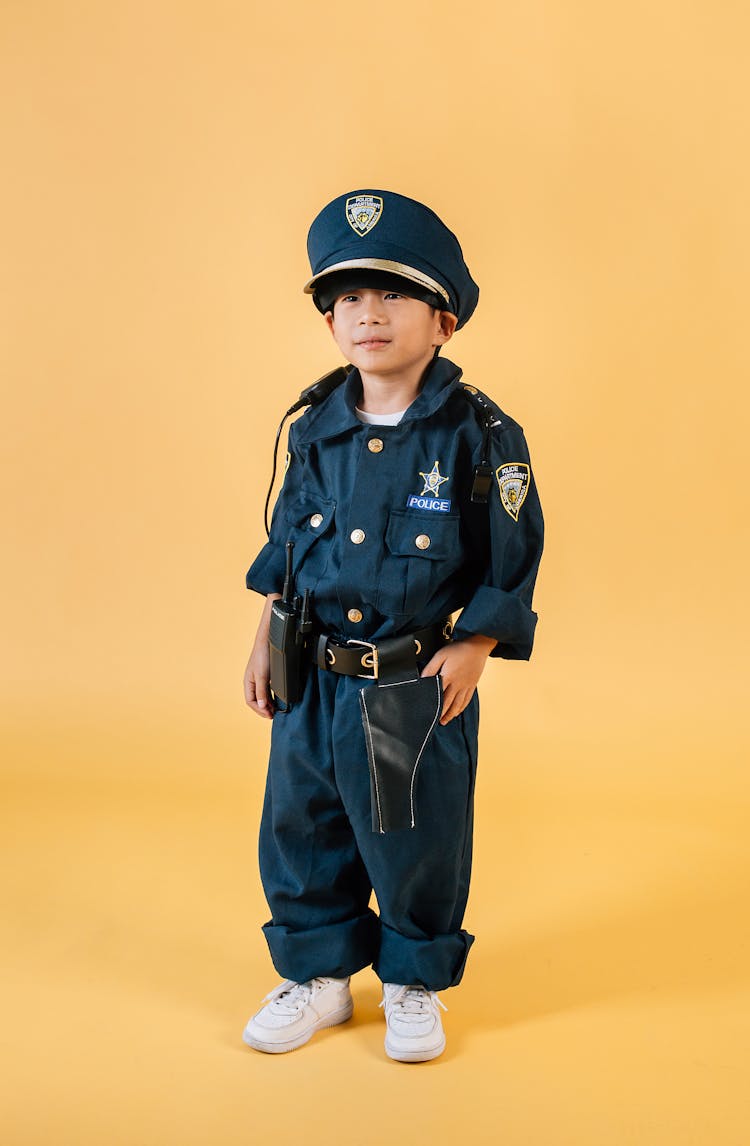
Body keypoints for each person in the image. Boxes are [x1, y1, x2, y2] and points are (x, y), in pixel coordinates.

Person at [241, 189, 544, 1062]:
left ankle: (413, 979)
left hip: (414, 679)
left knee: (416, 833)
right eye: (346, 300)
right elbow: (287, 540)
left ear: (444, 319)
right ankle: (318, 975)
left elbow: (513, 549)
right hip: (313, 675)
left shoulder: (479, 435)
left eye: (392, 295)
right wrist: (265, 636)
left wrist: (477, 642)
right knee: (302, 824)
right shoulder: (313, 431)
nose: (366, 315)